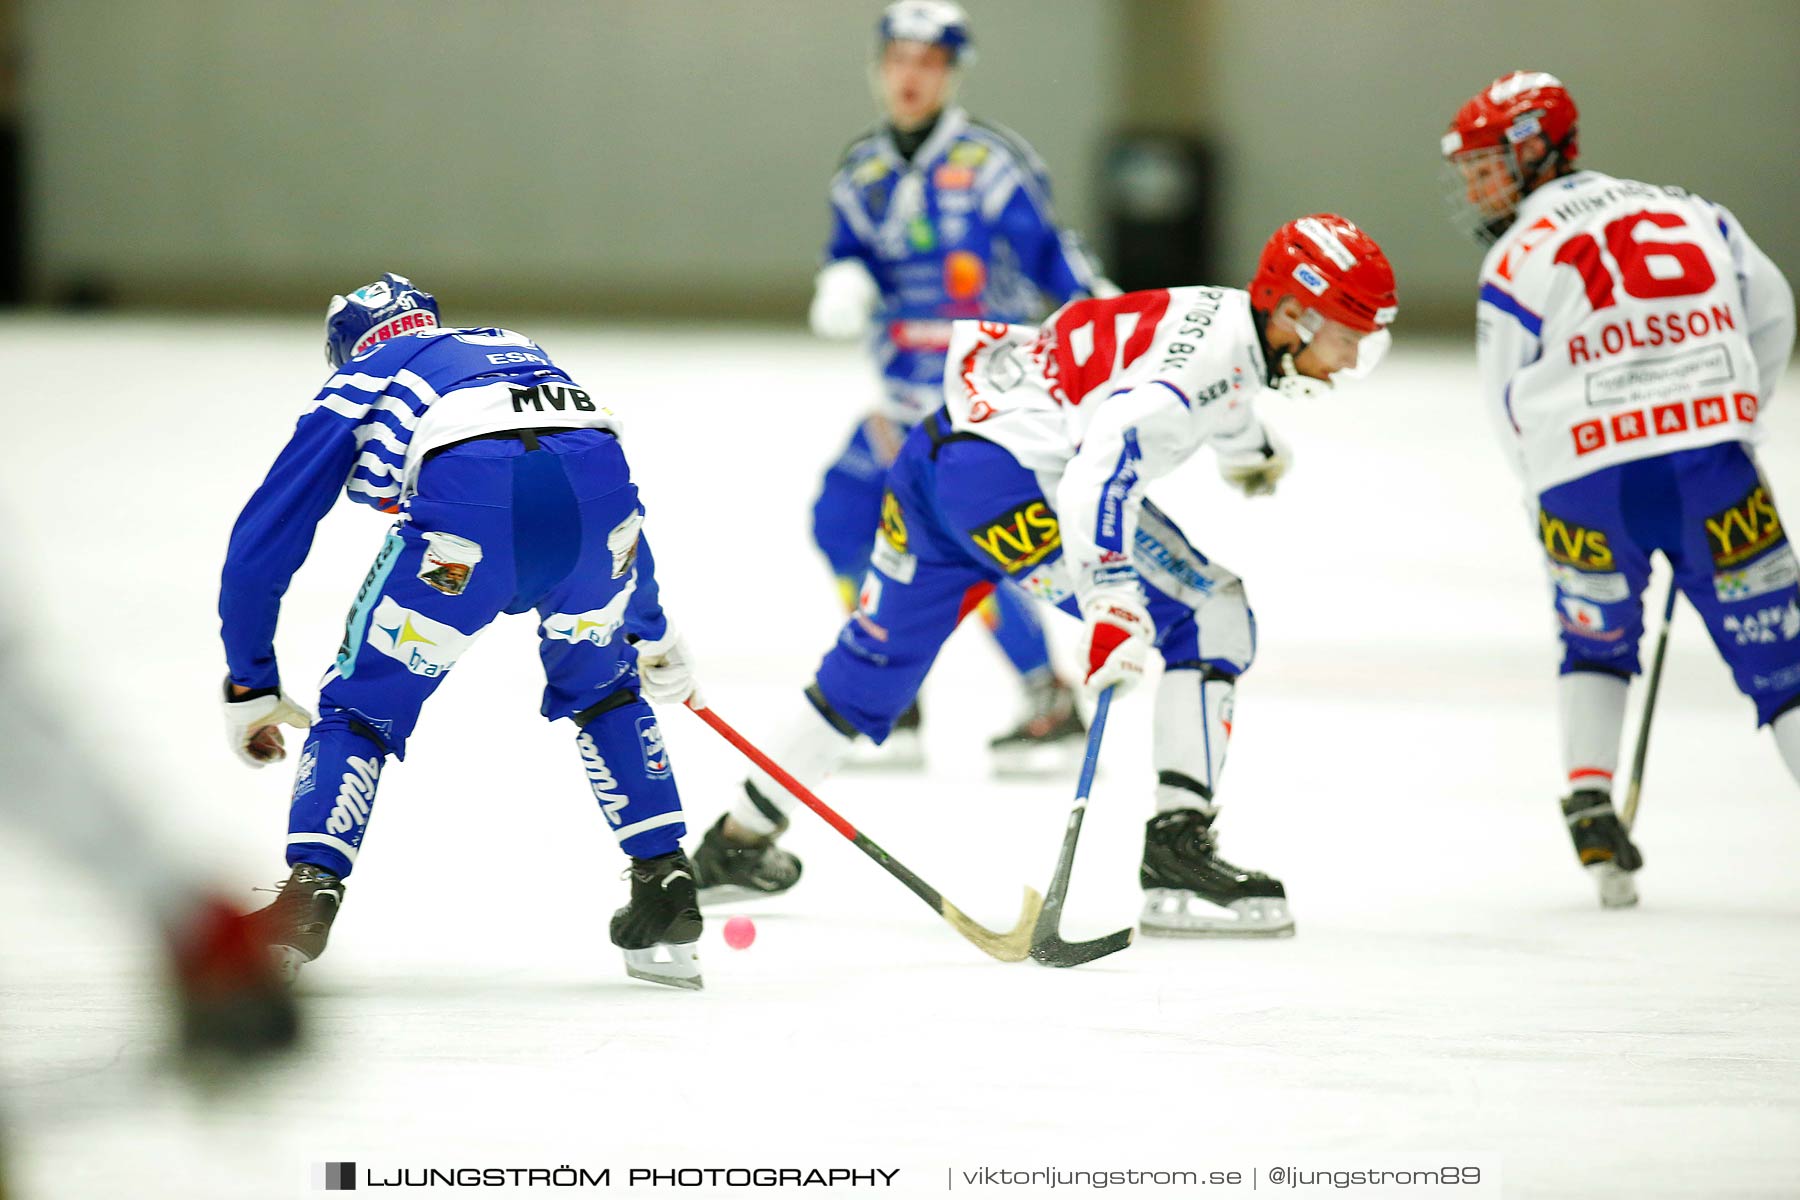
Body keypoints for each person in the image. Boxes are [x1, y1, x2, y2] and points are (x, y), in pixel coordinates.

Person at [694, 216, 1397, 936]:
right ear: (1292, 314)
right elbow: (1104, 465)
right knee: (1212, 613)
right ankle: (1177, 853)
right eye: (1347, 338)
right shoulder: (1204, 371)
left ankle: (734, 844)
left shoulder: (1223, 316)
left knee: (873, 662)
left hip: (938, 459)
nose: (1348, 362)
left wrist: (1246, 445)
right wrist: (1112, 602)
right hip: (1015, 483)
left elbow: (1183, 384)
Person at [217, 275, 707, 988]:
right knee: (605, 688)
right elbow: (597, 481)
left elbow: (263, 542)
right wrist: (650, 630)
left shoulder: (359, 379)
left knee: (360, 705)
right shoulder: (515, 347)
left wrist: (249, 678)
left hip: (466, 530)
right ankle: (666, 880)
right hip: (598, 528)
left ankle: (308, 896)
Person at [1442, 72, 1798, 907]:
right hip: (1711, 469)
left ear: (1536, 151)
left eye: (1488, 164)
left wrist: (1544, 498)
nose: (1476, 185)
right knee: (1784, 663)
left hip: (1582, 483)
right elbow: (1773, 312)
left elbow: (1505, 398)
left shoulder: (1517, 253)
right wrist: (1729, 417)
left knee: (1593, 638)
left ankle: (1591, 798)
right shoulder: (1695, 210)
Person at [808, 0, 1114, 773]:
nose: (912, 77)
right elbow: (852, 247)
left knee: (980, 536)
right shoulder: (863, 170)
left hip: (986, 398)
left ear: (951, 74)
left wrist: (1101, 319)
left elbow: (1050, 252)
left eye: (930, 63)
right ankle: (896, 690)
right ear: (879, 68)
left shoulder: (990, 165)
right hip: (903, 394)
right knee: (843, 516)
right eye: (900, 60)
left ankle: (1048, 696)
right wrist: (843, 275)